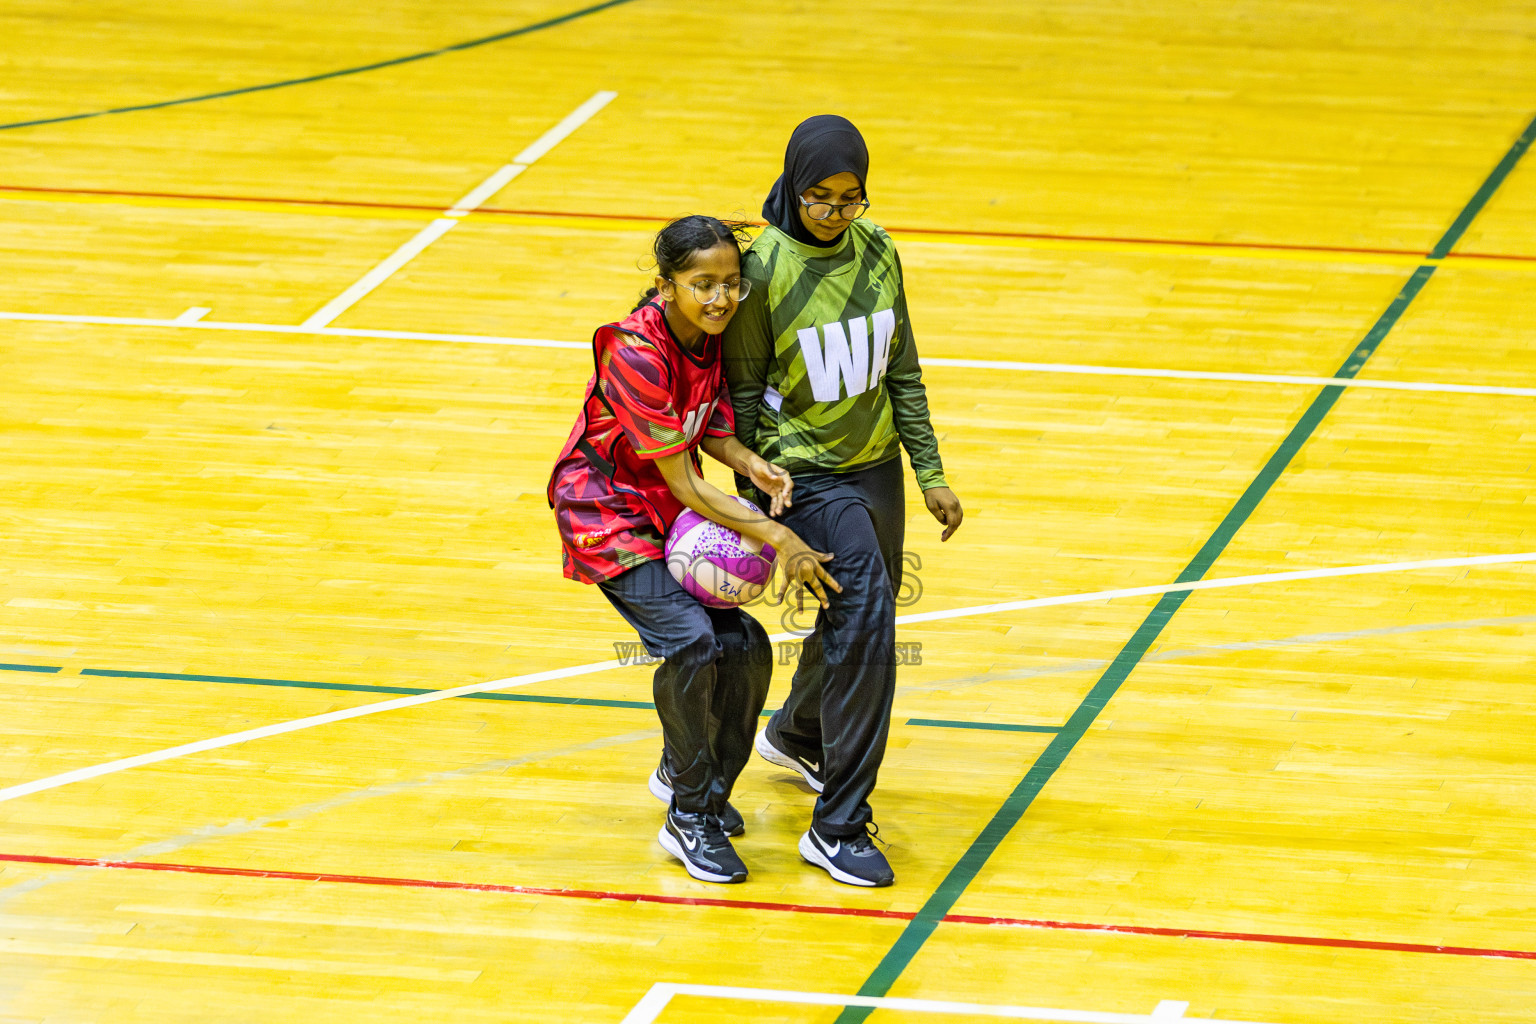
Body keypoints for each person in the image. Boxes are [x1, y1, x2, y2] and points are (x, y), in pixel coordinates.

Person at [548, 215, 839, 885]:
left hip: (669, 506)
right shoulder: (634, 350)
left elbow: (708, 434)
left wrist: (753, 464)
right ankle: (690, 813)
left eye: (730, 284)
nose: (720, 299)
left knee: (746, 646)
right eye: (701, 284)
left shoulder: (710, 336)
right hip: (606, 509)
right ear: (665, 285)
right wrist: (779, 536)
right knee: (690, 642)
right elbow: (683, 480)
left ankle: (695, 783)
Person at [723, 115, 964, 888]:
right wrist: (757, 502)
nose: (834, 211)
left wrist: (929, 471)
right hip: (802, 475)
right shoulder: (761, 270)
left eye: (849, 198)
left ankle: (797, 734)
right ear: (792, 187)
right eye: (819, 197)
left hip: (876, 467)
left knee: (859, 609)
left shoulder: (880, 249)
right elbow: (741, 401)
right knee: (869, 620)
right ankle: (840, 826)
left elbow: (905, 368)